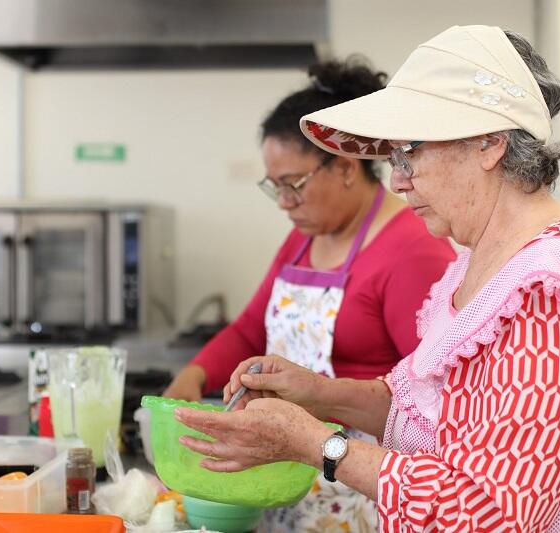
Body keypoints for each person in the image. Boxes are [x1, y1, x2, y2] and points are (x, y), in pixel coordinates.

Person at [174, 25, 560, 532]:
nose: (398, 179)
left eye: (410, 153)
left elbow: (488, 511)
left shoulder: (550, 291)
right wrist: (314, 392)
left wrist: (313, 443)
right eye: (394, 160)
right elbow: (421, 413)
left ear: (490, 145)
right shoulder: (485, 262)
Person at [164, 58, 456, 531]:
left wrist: (321, 411)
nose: (283, 203)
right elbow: (248, 330)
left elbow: (432, 399)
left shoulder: (411, 250)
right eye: (273, 187)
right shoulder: (305, 239)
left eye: (293, 185)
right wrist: (190, 380)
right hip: (290, 475)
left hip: (360, 486)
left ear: (343, 166)